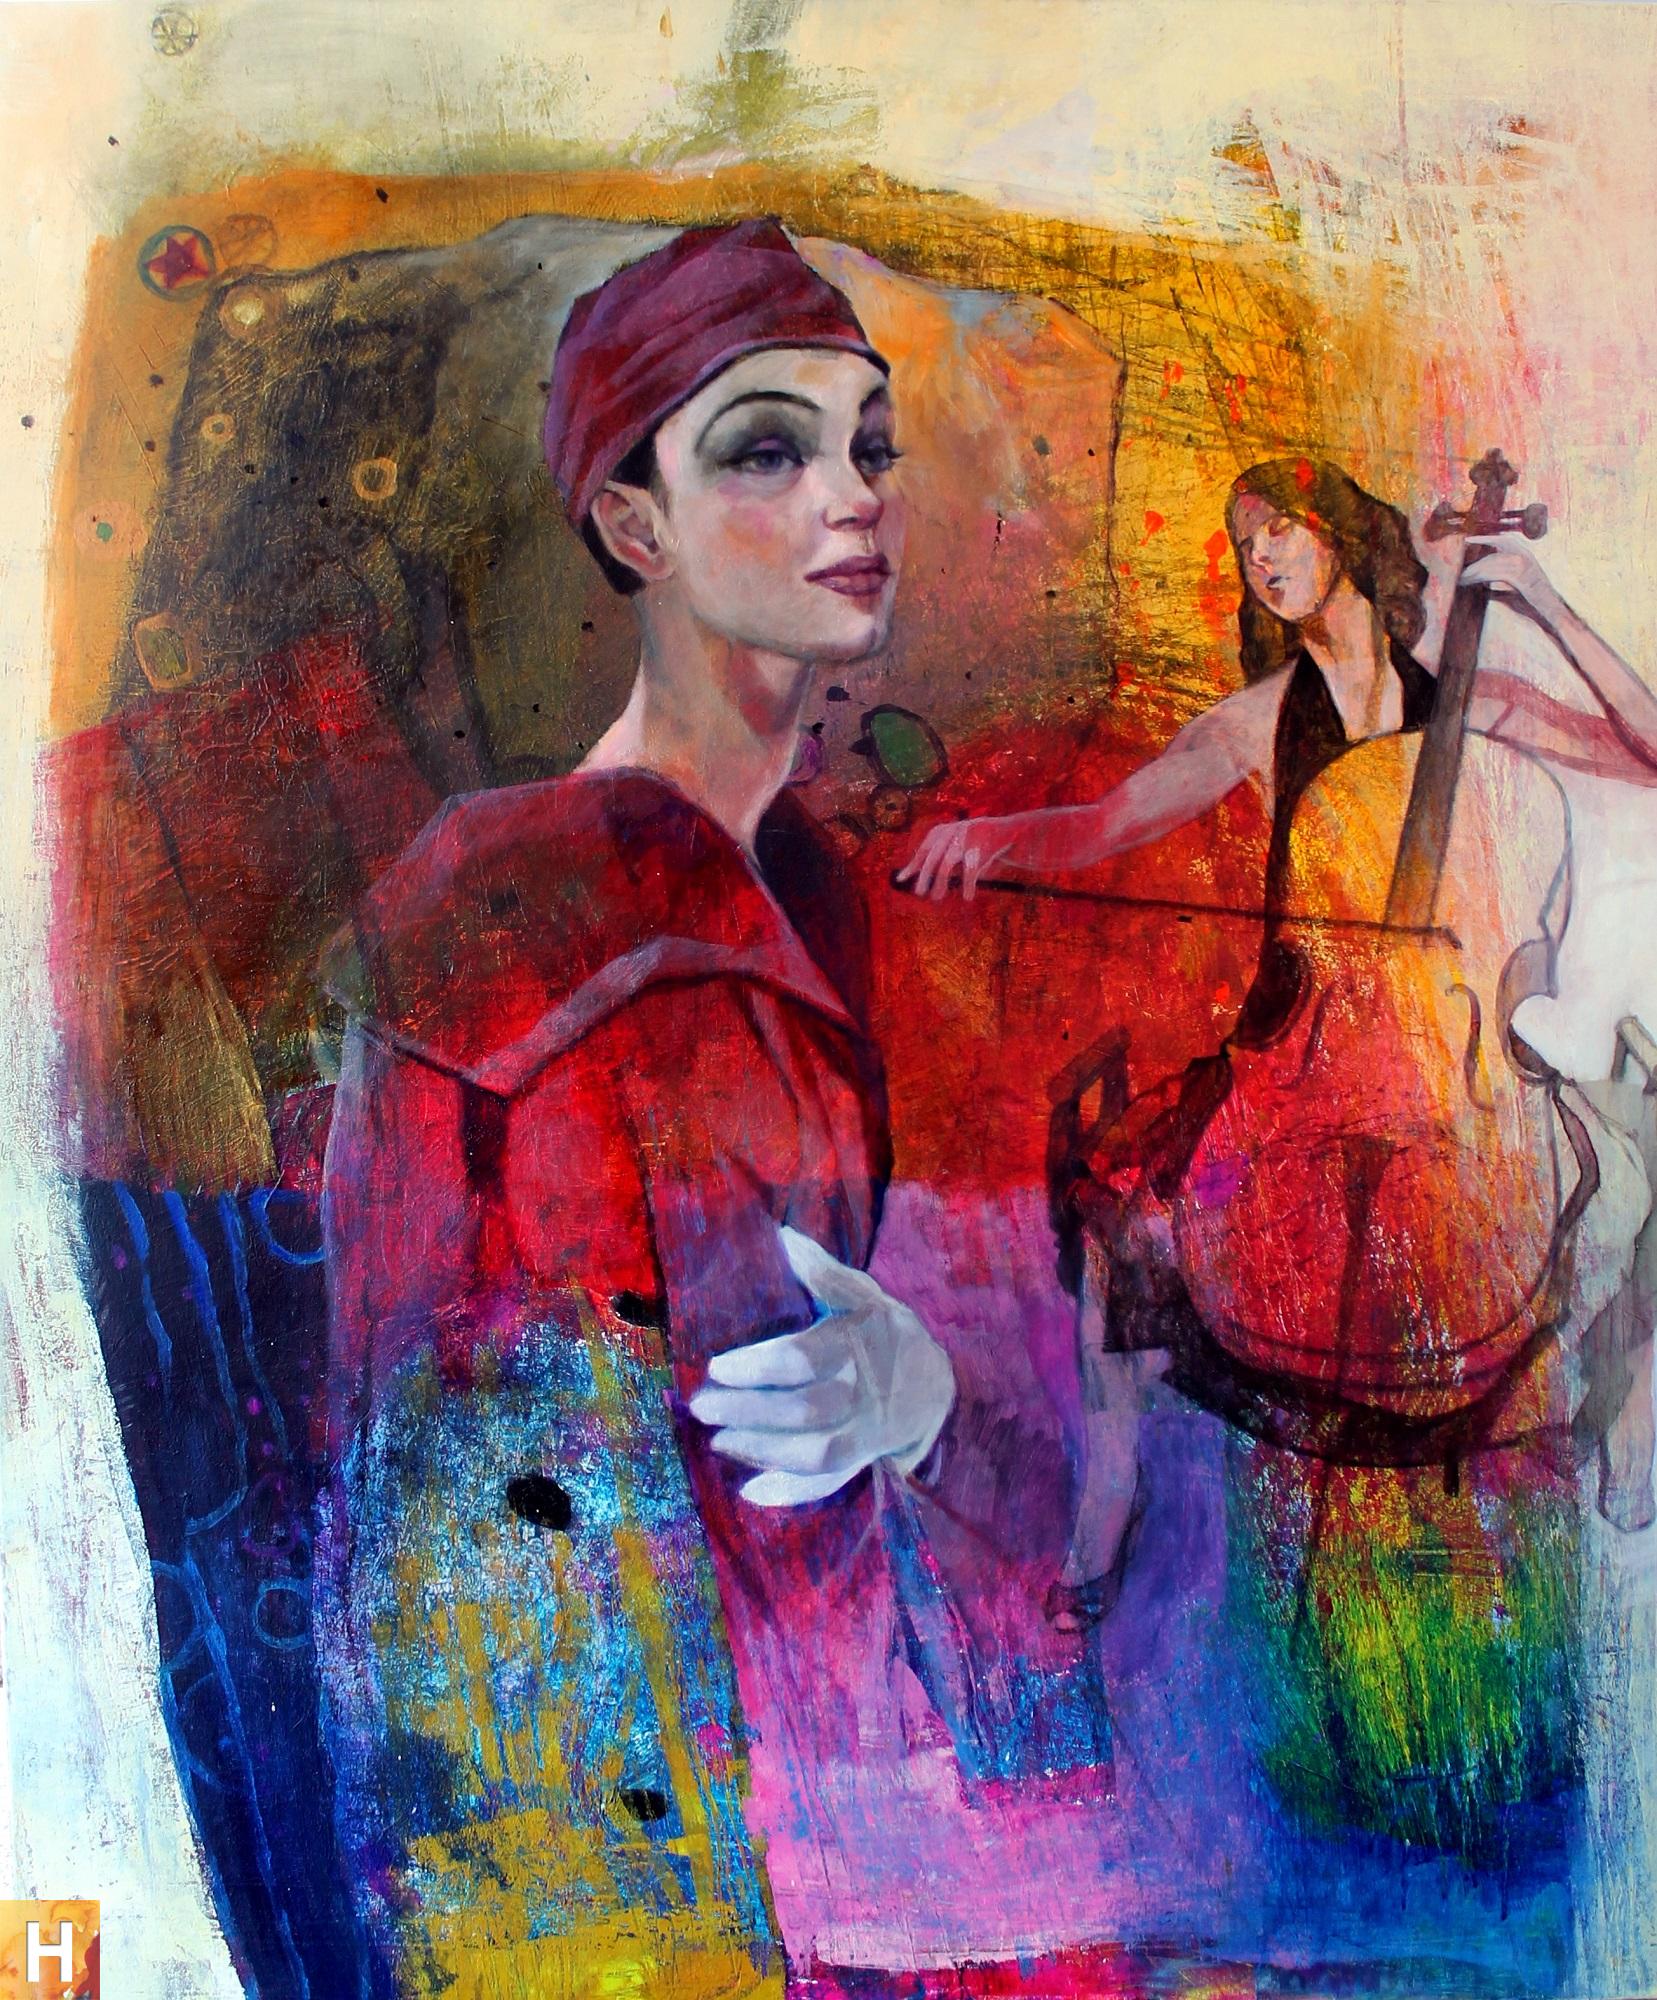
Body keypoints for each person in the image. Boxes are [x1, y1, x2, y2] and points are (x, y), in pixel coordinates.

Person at [315, 219, 1109, 1999]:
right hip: (646, 1875)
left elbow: (1018, 1417)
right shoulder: (486, 918)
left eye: (869, 448)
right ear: (632, 525)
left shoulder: (851, 914)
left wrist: (922, 1399)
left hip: (911, 1834)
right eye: (766, 448)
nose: (852, 496)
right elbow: (431, 1503)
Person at [900, 456, 1657, 1588]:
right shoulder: (1257, 722)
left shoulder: (1475, 701)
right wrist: (990, 836)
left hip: (1462, 1071)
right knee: (1120, 1238)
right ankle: (1110, 1490)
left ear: (1342, 536)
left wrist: (1540, 602)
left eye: (1280, 528)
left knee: (1637, 1177)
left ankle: (1633, 1417)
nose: (1259, 555)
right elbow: (1104, 823)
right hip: (1305, 1061)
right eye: (1245, 538)